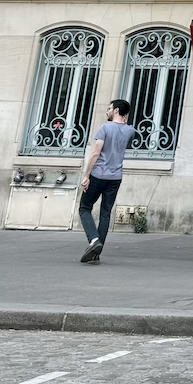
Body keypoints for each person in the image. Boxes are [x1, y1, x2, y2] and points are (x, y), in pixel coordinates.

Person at [78, 99, 136, 263]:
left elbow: (96, 153)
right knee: (105, 213)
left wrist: (86, 175)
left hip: (99, 175)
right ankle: (96, 252)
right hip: (115, 177)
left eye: (109, 108)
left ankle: (94, 240)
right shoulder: (130, 130)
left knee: (84, 208)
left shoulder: (105, 128)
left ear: (116, 110)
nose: (107, 111)